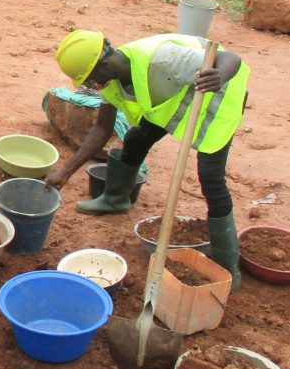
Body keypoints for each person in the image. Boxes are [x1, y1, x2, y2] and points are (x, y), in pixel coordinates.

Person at [44, 30, 250, 289]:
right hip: (175, 96)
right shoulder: (111, 81)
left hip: (217, 94)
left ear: (103, 64)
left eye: (91, 79)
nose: (92, 87)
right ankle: (116, 199)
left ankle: (228, 268)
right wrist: (65, 171)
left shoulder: (163, 59)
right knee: (135, 139)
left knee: (210, 176)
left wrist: (219, 76)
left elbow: (229, 57)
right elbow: (101, 129)